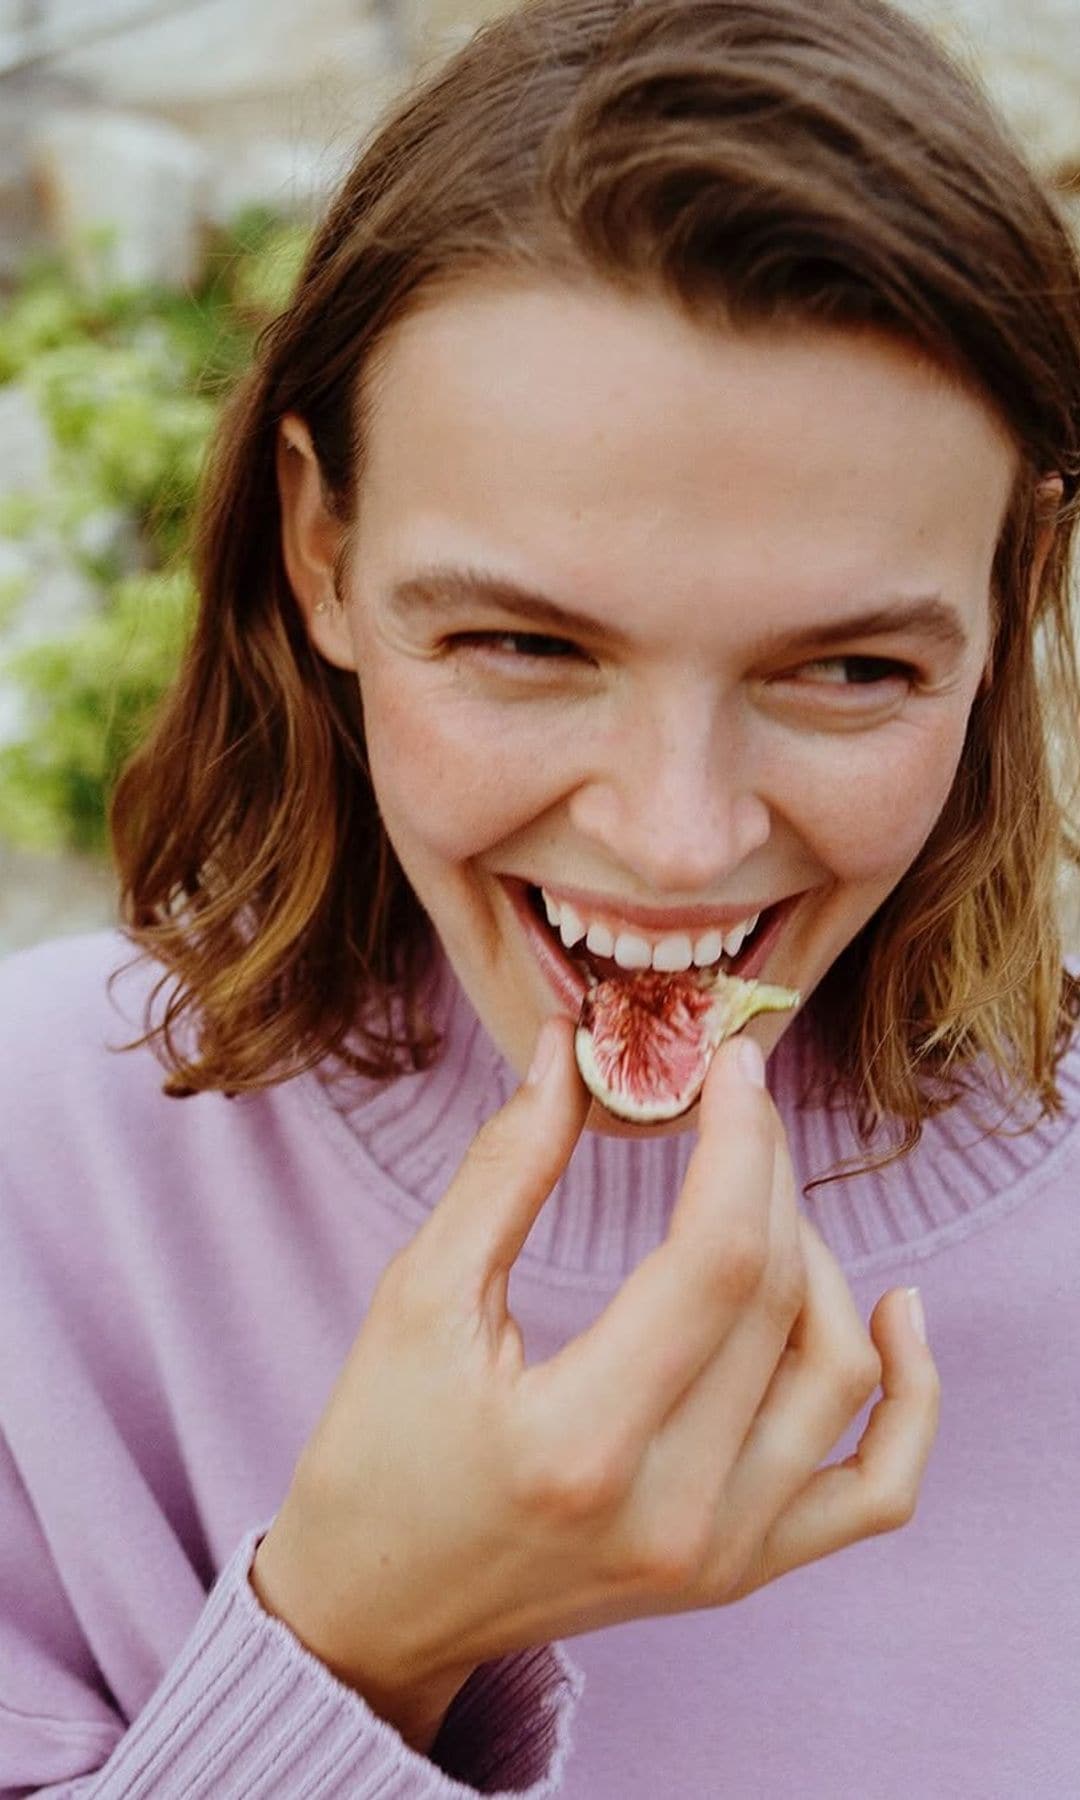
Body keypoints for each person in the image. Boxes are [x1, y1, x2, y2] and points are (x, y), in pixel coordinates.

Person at [1, 0, 1078, 1791]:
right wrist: (355, 1636)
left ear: (1010, 588)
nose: (673, 839)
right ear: (323, 551)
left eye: (850, 673)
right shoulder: (28, 1173)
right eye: (523, 643)